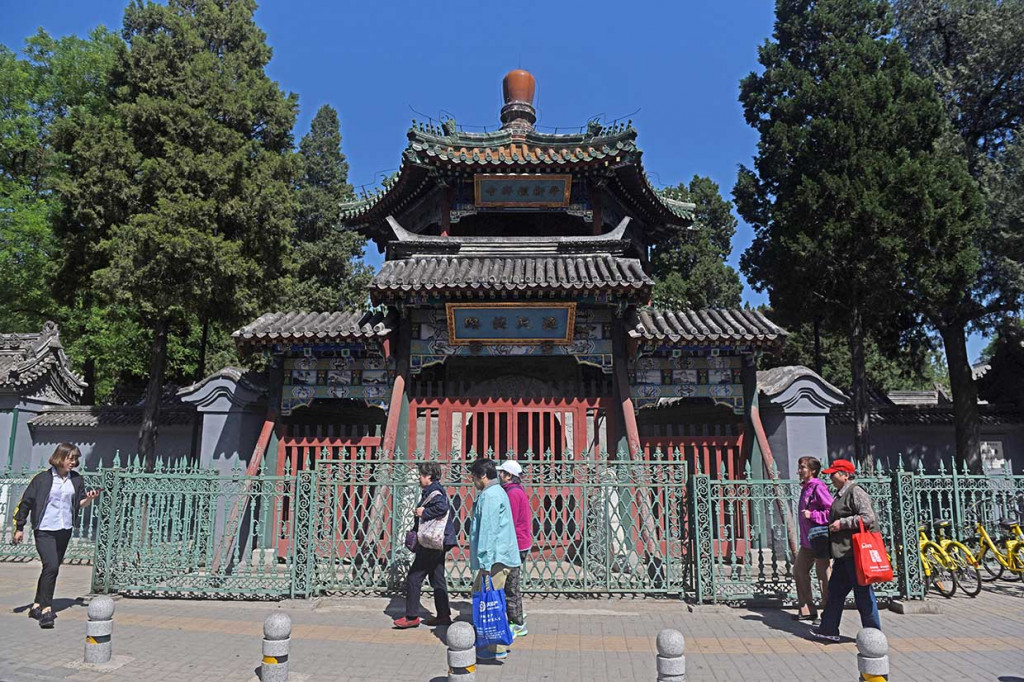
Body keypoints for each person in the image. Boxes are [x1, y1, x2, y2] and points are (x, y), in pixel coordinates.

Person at [12, 443, 100, 629]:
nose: (74, 462)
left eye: (76, 459)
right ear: (60, 458)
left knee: (51, 569)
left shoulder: (76, 479)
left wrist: (90, 498)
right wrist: (19, 527)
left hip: (64, 529)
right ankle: (46, 610)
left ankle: (36, 605)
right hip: (44, 529)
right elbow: (26, 502)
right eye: (70, 458)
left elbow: (79, 503)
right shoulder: (42, 479)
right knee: (51, 566)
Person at [810, 459, 882, 642]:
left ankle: (874, 634)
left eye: (833, 474)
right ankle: (828, 629)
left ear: (845, 475)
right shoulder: (840, 493)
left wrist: (841, 524)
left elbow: (868, 517)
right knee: (835, 592)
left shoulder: (855, 492)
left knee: (863, 594)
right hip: (843, 554)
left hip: (856, 554)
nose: (830, 478)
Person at [468, 457, 522, 661]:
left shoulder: (490, 496)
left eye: (474, 476)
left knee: (490, 601)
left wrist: (485, 563)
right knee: (483, 595)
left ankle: (496, 646)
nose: (472, 480)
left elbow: (488, 532)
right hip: (501, 556)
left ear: (482, 476)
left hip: (495, 560)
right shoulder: (498, 491)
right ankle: (489, 642)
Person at [394, 461, 457, 629]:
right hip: (439, 541)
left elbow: (442, 508)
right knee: (437, 578)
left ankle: (412, 616)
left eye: (421, 475)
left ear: (428, 476)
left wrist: (424, 512)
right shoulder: (435, 489)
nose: (419, 478)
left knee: (414, 577)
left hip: (431, 542)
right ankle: (443, 615)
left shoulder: (434, 491)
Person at [793, 456, 833, 622]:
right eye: (800, 467)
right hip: (808, 541)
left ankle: (829, 611)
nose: (800, 470)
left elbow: (831, 511)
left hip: (819, 538)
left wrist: (813, 515)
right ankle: (807, 608)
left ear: (813, 471)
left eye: (803, 467)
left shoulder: (818, 487)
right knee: (799, 570)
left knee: (823, 574)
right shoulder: (806, 487)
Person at [497, 459, 532, 638]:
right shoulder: (515, 491)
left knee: (511, 585)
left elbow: (507, 520)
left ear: (509, 475)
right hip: (520, 542)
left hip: (515, 544)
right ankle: (516, 613)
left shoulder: (512, 494)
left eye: (502, 472)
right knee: (511, 583)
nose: (499, 475)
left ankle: (517, 622)